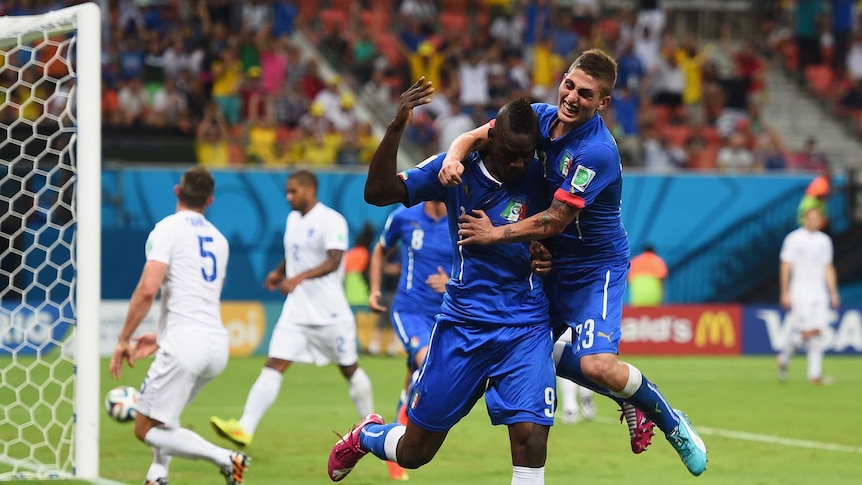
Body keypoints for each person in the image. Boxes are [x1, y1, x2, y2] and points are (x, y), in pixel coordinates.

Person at [439, 48, 708, 476]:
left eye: (585, 94)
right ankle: (625, 396)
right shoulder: (542, 118)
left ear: (602, 103)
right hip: (554, 262)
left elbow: (556, 219)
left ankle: (671, 421)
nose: (572, 97)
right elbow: (474, 135)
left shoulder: (597, 151)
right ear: (562, 79)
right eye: (569, 85)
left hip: (595, 268)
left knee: (596, 364)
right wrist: (453, 156)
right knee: (524, 351)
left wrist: (494, 234)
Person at [328, 79, 556, 484]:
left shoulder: (543, 174)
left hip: (525, 323)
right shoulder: (454, 172)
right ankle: (366, 435)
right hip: (465, 325)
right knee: (416, 452)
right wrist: (397, 125)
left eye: (527, 155)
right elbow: (379, 192)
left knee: (531, 437)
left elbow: (564, 229)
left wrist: (547, 255)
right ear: (491, 139)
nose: (520, 164)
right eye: (511, 154)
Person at [210, 169, 374, 447]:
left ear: (310, 190)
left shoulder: (331, 220)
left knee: (349, 368)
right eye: (287, 191)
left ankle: (372, 426)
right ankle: (244, 428)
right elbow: (294, 253)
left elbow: (334, 261)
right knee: (274, 364)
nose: (288, 197)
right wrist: (279, 272)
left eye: (293, 191)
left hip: (329, 313)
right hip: (296, 312)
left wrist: (298, 277)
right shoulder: (292, 219)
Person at [108, 166, 249, 485]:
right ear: (210, 200)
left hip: (186, 345)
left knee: (145, 428)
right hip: (215, 345)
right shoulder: (219, 240)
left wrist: (123, 339)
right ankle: (157, 476)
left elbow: (147, 289)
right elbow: (202, 297)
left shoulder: (167, 230)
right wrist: (161, 337)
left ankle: (227, 459)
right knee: (165, 418)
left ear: (176, 191)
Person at [367, 200, 450, 480]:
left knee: (417, 377)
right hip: (410, 310)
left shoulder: (464, 216)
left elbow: (479, 264)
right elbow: (380, 249)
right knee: (426, 363)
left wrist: (450, 282)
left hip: (448, 314)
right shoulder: (404, 217)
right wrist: (375, 289)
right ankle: (399, 446)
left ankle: (393, 439)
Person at [777, 207, 840, 385]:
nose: (812, 221)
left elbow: (828, 267)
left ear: (821, 221)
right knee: (806, 331)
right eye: (809, 218)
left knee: (817, 331)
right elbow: (785, 265)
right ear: (804, 220)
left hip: (819, 290)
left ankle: (814, 374)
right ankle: (784, 357)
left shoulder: (824, 240)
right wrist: (784, 291)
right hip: (800, 289)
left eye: (816, 218)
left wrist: (833, 292)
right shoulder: (793, 239)